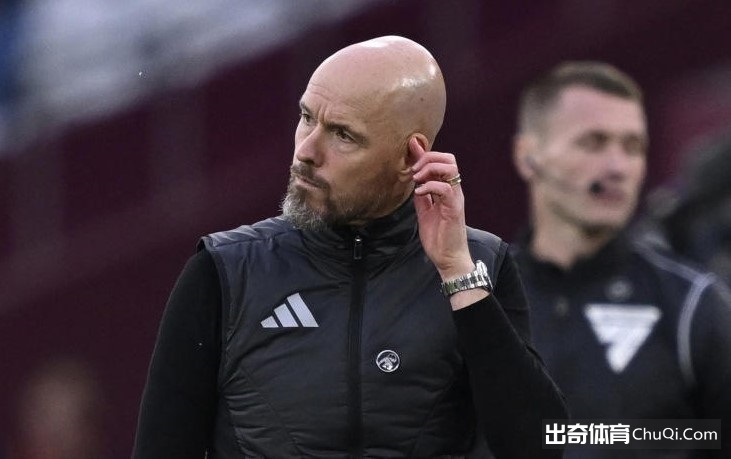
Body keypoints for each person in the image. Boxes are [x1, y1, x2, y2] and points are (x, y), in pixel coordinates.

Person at [132, 36, 567, 458]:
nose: (306, 151)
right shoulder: (224, 271)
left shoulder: (481, 266)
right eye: (307, 117)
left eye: (343, 134)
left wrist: (456, 271)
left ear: (409, 158)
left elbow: (538, 445)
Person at [510, 61, 731, 458]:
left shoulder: (692, 307)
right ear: (529, 156)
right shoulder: (478, 299)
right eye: (593, 143)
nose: (617, 168)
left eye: (633, 147)